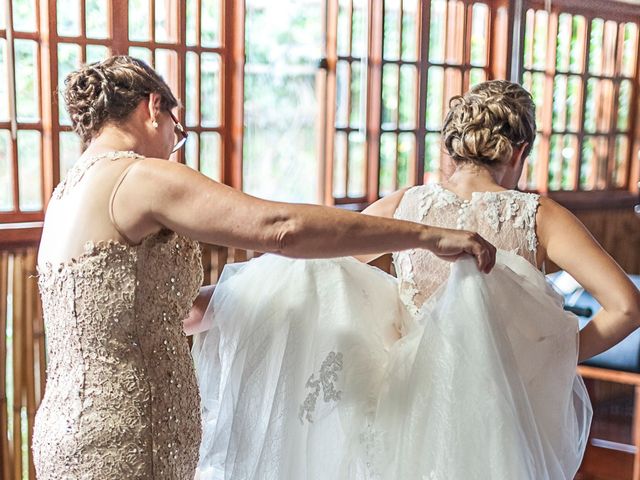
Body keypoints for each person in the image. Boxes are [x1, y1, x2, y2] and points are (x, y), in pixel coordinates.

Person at [32, 55, 495, 480]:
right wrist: (428, 236)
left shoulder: (65, 196)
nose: (175, 147)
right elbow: (281, 227)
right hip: (131, 435)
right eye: (178, 131)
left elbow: (176, 312)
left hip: (67, 429)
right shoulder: (140, 177)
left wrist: (275, 281)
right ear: (155, 107)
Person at [192, 80, 640, 479]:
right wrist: (552, 355)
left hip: (404, 404)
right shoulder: (538, 216)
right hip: (498, 408)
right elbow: (627, 306)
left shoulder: (408, 207)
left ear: (451, 149)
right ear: (521, 151)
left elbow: (321, 263)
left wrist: (227, 299)